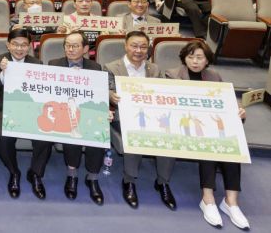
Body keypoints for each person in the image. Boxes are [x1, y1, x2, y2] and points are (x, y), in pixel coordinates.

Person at [165, 40, 249, 229]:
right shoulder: (172, 75)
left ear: (207, 60)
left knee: (229, 143)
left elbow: (229, 104)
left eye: (199, 57)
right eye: (190, 57)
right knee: (209, 143)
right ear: (184, 58)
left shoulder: (215, 76)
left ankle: (231, 202)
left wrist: (239, 111)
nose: (194, 61)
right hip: (183, 126)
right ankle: (208, 198)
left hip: (207, 126)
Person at [27, 31, 106, 205]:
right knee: (65, 130)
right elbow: (46, 93)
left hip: (85, 113)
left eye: (75, 46)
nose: (70, 49)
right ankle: (71, 175)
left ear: (85, 48)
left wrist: (104, 110)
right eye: (67, 45)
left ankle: (92, 177)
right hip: (60, 110)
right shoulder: (54, 65)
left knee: (98, 131)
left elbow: (98, 97)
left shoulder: (95, 68)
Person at [106, 31, 176, 210]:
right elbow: (106, 90)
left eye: (143, 47)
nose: (138, 50)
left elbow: (162, 92)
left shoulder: (154, 69)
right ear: (126, 46)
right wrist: (110, 96)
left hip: (152, 115)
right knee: (135, 132)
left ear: (148, 49)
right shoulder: (112, 67)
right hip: (123, 116)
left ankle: (163, 182)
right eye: (134, 46)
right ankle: (129, 181)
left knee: (168, 134)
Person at [0, 28, 42, 198]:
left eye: (24, 45)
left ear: (29, 47)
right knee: (3, 136)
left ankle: (35, 172)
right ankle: (14, 171)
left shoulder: (37, 64)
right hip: (4, 108)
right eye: (15, 44)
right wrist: (4, 71)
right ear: (8, 45)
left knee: (45, 135)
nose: (19, 49)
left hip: (30, 109)